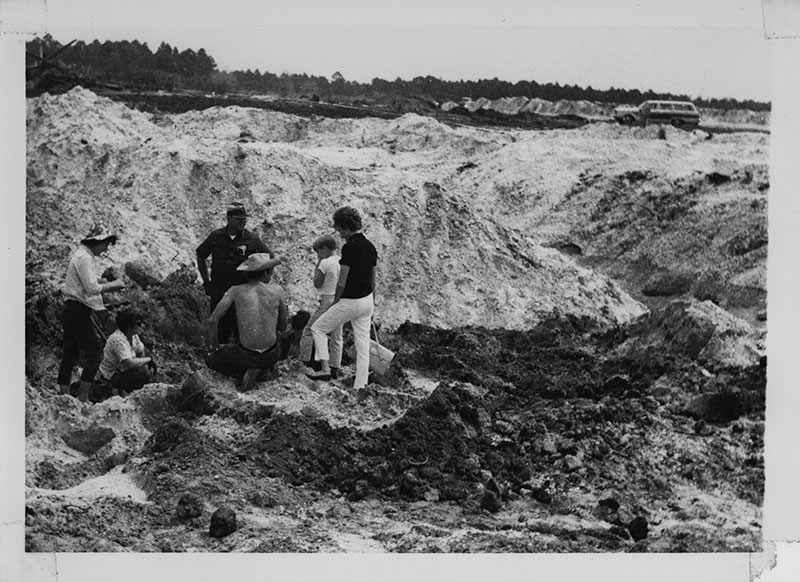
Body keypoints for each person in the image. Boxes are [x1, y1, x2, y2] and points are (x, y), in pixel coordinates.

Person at [308, 207, 378, 389]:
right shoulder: (371, 247)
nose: (339, 234)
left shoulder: (349, 248)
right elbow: (373, 279)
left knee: (318, 328)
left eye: (340, 230)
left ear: (346, 228)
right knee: (363, 344)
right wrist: (373, 303)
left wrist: (336, 301)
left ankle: (324, 368)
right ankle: (360, 385)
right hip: (367, 300)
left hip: (351, 301)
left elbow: (342, 280)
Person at [57, 224, 126, 402]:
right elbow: (91, 288)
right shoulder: (84, 258)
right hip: (77, 311)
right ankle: (83, 397)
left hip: (72, 309)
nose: (105, 249)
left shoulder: (82, 255)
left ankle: (63, 396)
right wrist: (114, 285)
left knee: (70, 354)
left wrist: (101, 311)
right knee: (95, 354)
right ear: (97, 242)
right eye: (105, 244)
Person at [206, 252, 288, 391]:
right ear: (266, 273)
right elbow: (283, 326)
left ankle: (246, 371)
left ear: (246, 274)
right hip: (272, 354)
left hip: (246, 355)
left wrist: (214, 348)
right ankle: (262, 371)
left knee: (211, 359)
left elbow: (212, 321)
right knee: (281, 339)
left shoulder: (235, 291)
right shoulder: (278, 290)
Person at [196, 202, 269, 345]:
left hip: (242, 294)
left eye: (244, 219)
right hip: (219, 291)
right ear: (229, 219)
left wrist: (262, 282)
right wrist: (206, 281)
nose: (243, 222)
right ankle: (218, 359)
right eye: (239, 219)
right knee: (219, 329)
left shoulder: (251, 238)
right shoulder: (216, 236)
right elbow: (201, 255)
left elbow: (268, 257)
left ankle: (242, 361)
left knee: (242, 331)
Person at [298, 234, 343, 378]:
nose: (318, 255)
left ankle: (303, 363)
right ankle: (335, 367)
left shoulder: (325, 263)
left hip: (327, 299)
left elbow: (317, 283)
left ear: (324, 249)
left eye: (318, 251)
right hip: (341, 300)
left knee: (310, 331)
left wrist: (318, 264)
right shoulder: (343, 261)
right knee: (337, 336)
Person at [97, 307, 156, 395]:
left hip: (124, 370)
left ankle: (139, 389)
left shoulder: (133, 336)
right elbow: (129, 363)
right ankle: (121, 391)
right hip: (111, 375)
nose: (142, 326)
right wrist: (148, 360)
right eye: (139, 324)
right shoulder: (118, 340)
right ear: (129, 327)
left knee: (145, 370)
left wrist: (145, 365)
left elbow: (140, 351)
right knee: (143, 372)